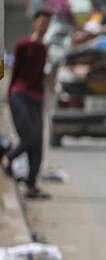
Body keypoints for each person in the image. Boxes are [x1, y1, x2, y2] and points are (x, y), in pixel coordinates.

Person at [2, 8, 52, 200]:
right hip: (19, 95)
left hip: (36, 98)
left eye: (47, 24)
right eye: (41, 22)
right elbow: (14, 74)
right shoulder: (23, 46)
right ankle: (8, 158)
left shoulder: (44, 49)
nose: (44, 27)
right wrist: (9, 97)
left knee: (38, 144)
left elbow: (42, 77)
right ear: (35, 23)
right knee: (29, 136)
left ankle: (31, 184)